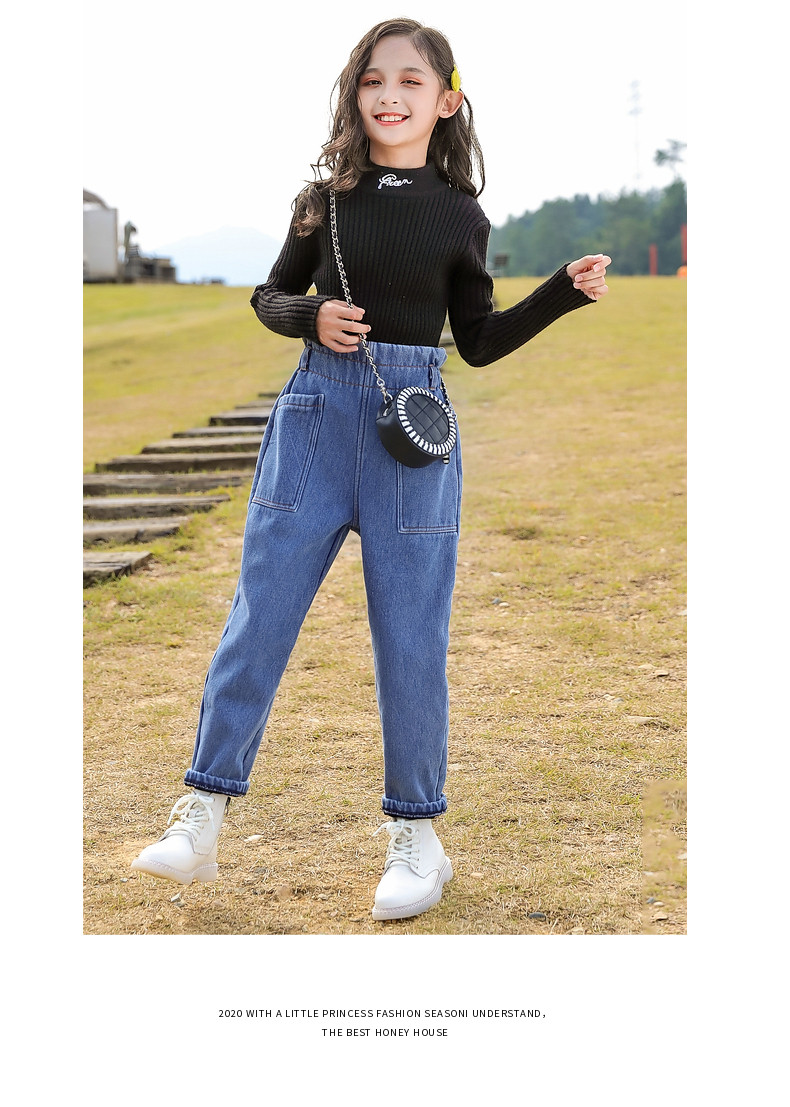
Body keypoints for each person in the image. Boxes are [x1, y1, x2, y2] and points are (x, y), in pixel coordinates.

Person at [132, 18, 611, 921]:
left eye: (410, 81)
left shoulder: (460, 213)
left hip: (411, 434)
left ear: (447, 101)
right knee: (260, 616)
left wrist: (559, 293)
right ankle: (201, 817)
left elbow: (477, 340)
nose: (389, 95)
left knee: (411, 636)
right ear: (355, 95)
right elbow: (269, 294)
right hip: (314, 418)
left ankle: (419, 838)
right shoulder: (323, 201)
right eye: (372, 80)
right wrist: (308, 315)